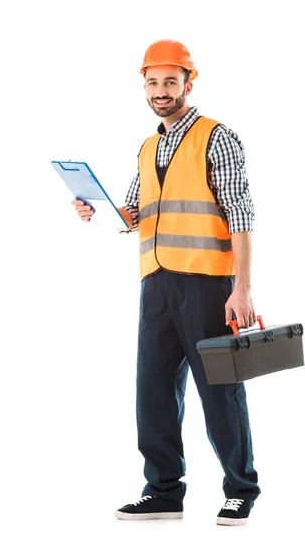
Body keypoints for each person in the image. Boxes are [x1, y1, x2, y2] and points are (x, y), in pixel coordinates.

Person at [73, 39, 261, 526]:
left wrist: (242, 288)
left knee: (220, 388)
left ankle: (241, 488)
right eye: (153, 82)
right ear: (145, 85)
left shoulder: (216, 136)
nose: (161, 90)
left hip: (206, 284)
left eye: (170, 81)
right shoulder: (148, 145)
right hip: (155, 282)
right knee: (153, 390)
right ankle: (162, 491)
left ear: (188, 83)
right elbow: (133, 214)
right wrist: (97, 210)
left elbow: (240, 214)